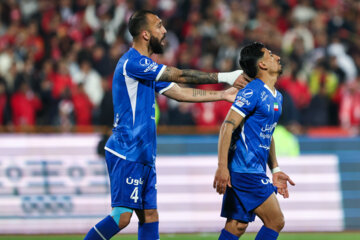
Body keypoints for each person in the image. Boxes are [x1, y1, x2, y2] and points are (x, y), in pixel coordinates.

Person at [84, 10, 249, 240]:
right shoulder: (133, 62)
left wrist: (222, 96)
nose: (164, 31)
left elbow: (180, 93)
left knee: (150, 215)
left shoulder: (147, 68)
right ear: (144, 34)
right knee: (122, 216)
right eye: (159, 26)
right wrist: (225, 76)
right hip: (126, 150)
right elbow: (179, 75)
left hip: (143, 152)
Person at [213, 42, 295, 240]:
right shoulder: (252, 91)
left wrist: (274, 169)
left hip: (254, 169)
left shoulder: (278, 97)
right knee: (276, 221)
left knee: (237, 226)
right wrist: (222, 167)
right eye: (269, 54)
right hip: (244, 170)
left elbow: (268, 134)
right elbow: (227, 126)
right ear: (262, 65)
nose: (277, 57)